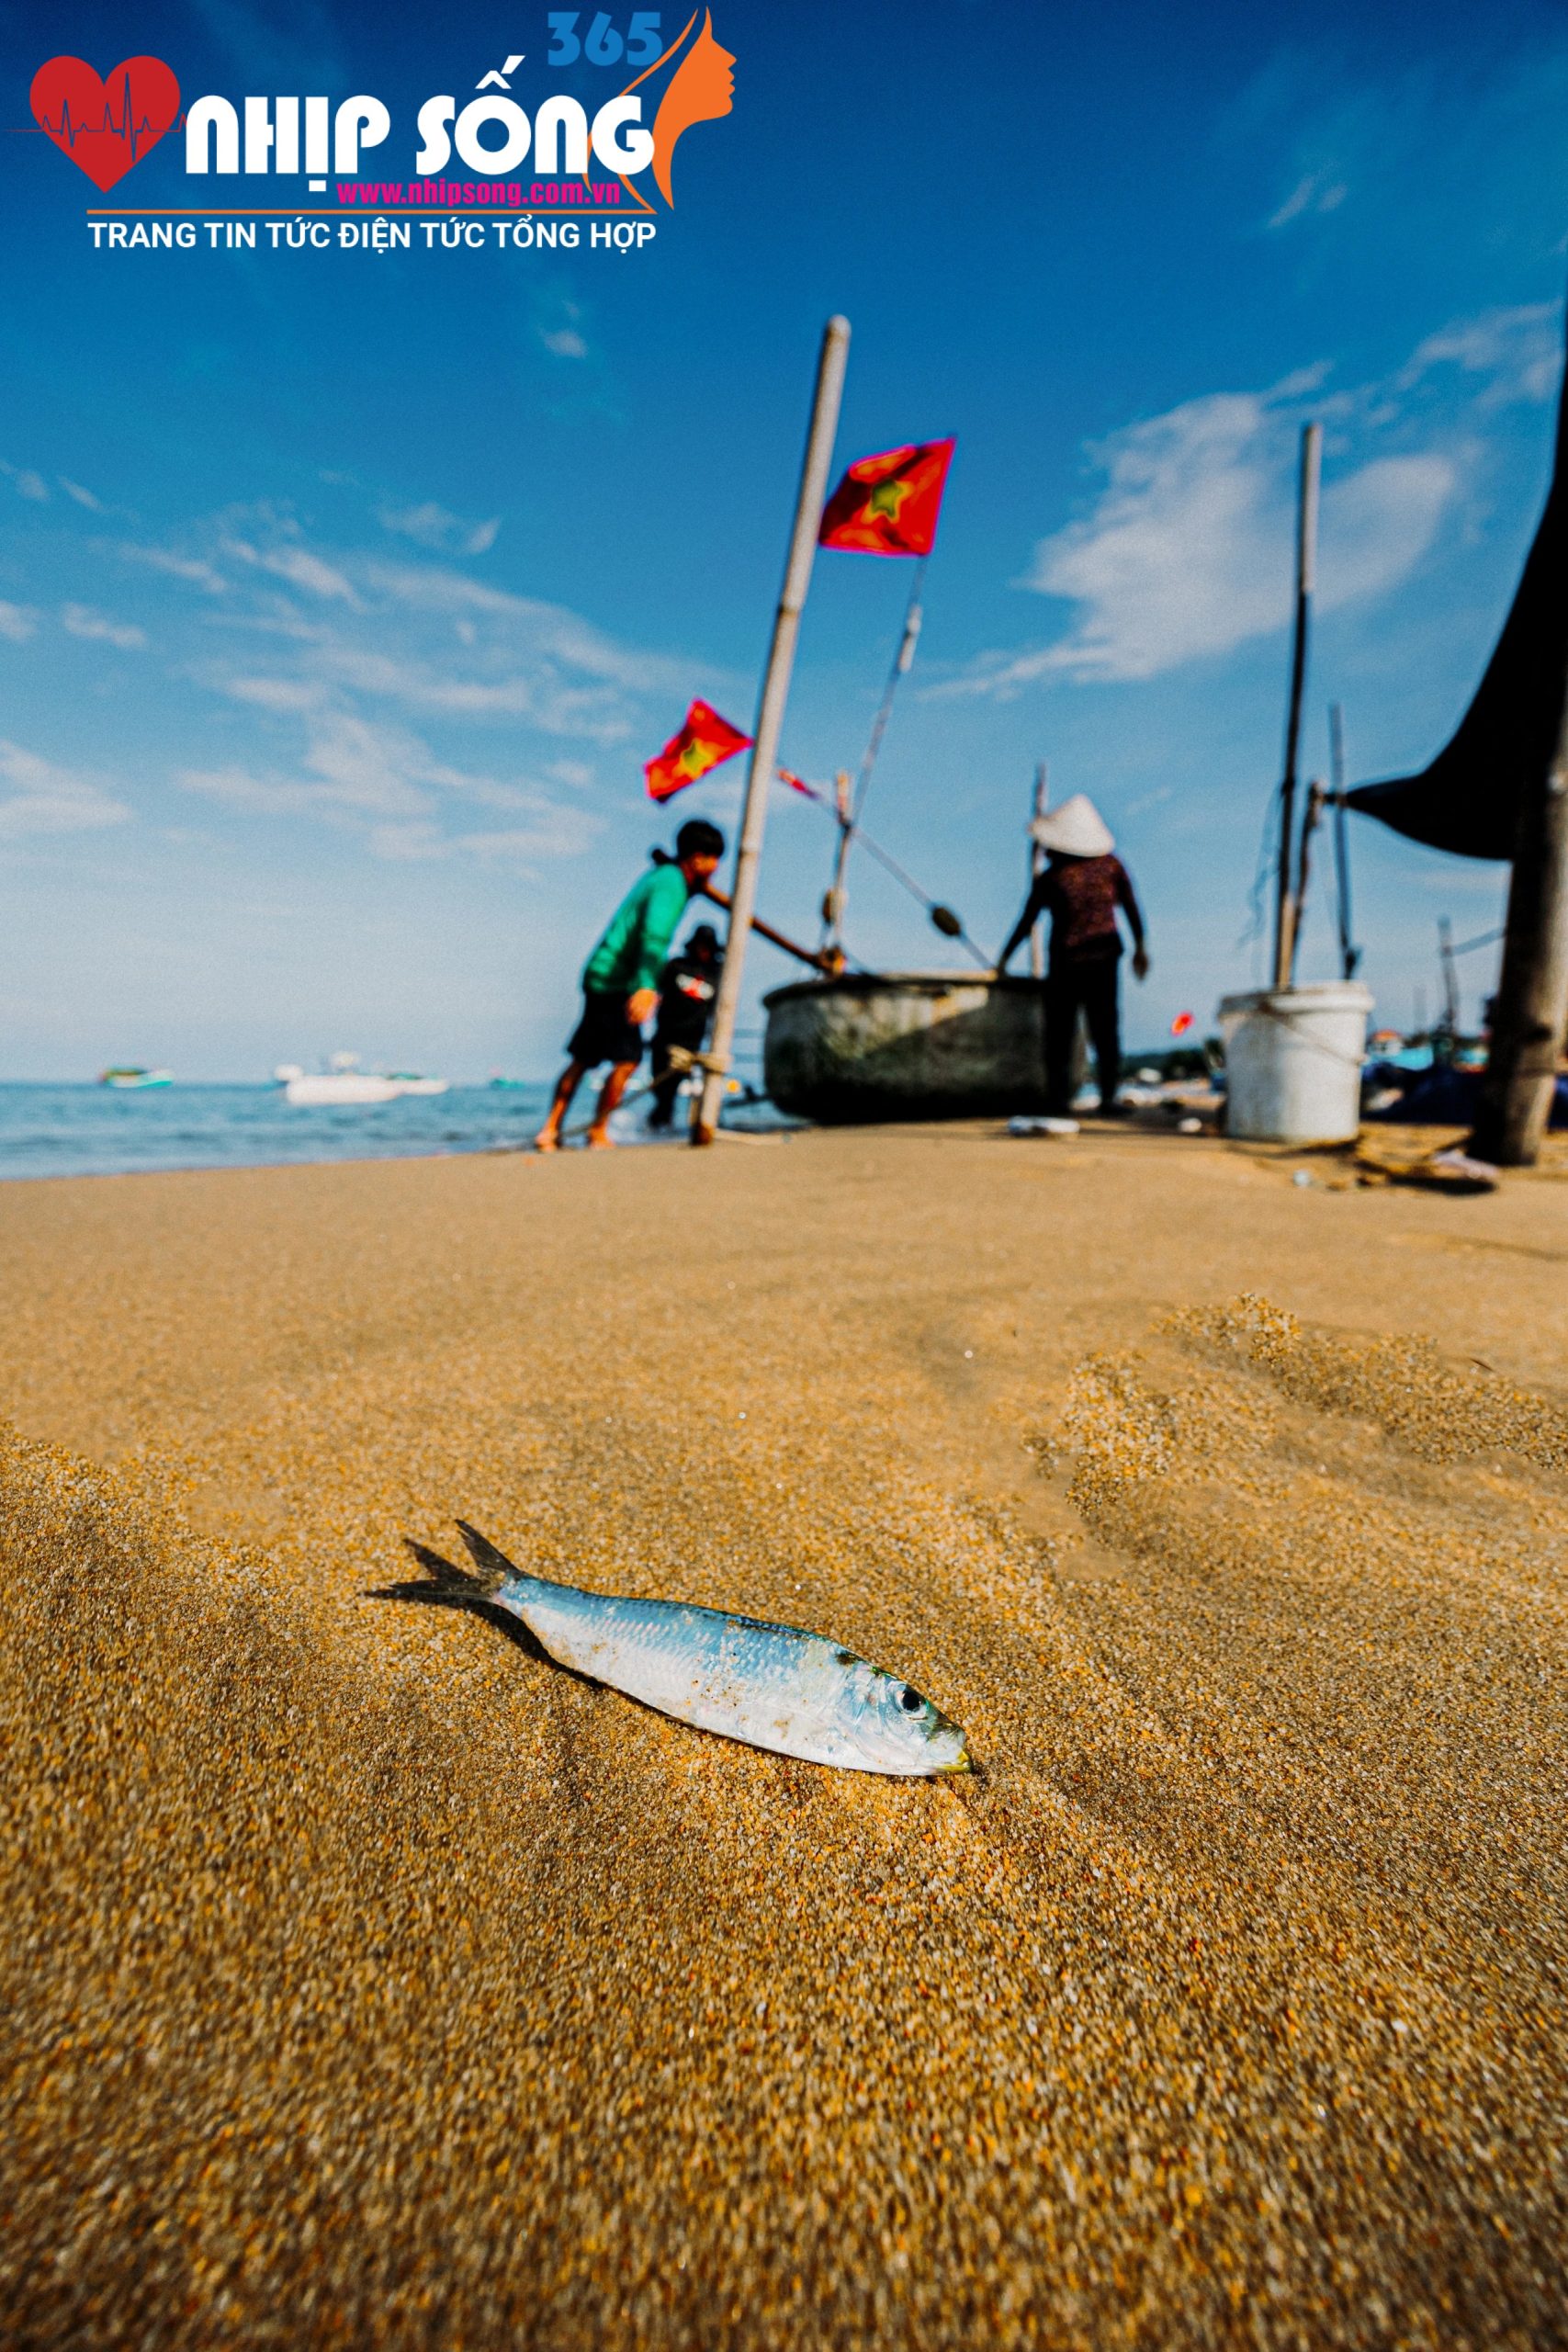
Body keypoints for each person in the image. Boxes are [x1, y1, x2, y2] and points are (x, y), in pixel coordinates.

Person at [535, 819, 726, 1151]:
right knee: (627, 1060)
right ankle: (597, 1132)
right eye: (713, 859)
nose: (716, 867)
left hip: (602, 973)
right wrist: (646, 985)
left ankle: (550, 1130)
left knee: (584, 1058)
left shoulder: (661, 877)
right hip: (619, 980)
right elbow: (653, 936)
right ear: (698, 858)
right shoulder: (671, 884)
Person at [996, 794, 1148, 1117]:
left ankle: (1076, 1099)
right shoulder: (1106, 867)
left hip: (1076, 961)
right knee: (1097, 1030)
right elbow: (1131, 908)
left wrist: (1004, 958)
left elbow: (1027, 920)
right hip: (1095, 959)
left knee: (1074, 1032)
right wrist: (1139, 946)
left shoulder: (1059, 876)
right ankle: (1092, 1098)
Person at [647, 923, 723, 1129]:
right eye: (700, 945)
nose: (703, 950)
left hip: (692, 1039)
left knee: (675, 1085)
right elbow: (655, 993)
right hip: (665, 1036)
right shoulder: (676, 966)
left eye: (707, 946)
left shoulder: (718, 973)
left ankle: (668, 1122)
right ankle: (658, 1122)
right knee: (661, 1086)